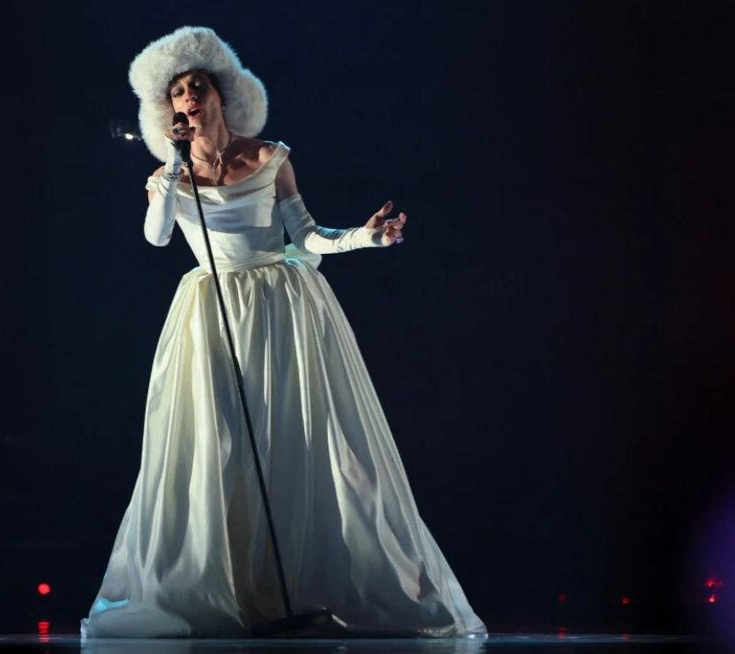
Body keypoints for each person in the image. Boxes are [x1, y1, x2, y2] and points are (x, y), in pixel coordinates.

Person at [80, 26, 487, 638]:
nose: (189, 99)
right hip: (211, 311)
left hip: (282, 306)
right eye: (179, 94)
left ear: (221, 96)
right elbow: (157, 237)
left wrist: (366, 238)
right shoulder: (169, 176)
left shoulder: (270, 157)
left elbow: (309, 236)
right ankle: (233, 590)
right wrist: (173, 166)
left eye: (198, 88)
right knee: (216, 444)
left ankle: (302, 586)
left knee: (295, 440)